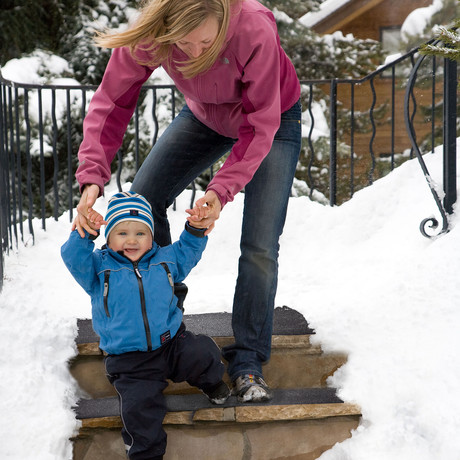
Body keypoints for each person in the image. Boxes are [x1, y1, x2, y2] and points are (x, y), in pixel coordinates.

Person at [73, 0, 302, 403]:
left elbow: (259, 122)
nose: (196, 55)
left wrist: (220, 190)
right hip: (203, 117)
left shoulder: (253, 28)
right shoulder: (151, 33)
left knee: (260, 245)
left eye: (206, 43)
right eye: (183, 45)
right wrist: (92, 175)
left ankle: (248, 363)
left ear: (225, 21)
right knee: (144, 197)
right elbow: (112, 101)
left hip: (271, 121)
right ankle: (160, 321)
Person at [62, 192, 230, 460]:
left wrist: (196, 230)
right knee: (140, 409)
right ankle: (145, 454)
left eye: (141, 233)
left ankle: (211, 384)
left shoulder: (165, 259)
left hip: (170, 344)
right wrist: (86, 233)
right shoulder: (98, 269)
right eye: (122, 233)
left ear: (152, 236)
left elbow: (187, 251)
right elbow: (73, 257)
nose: (132, 240)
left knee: (203, 352)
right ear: (108, 237)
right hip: (130, 362)